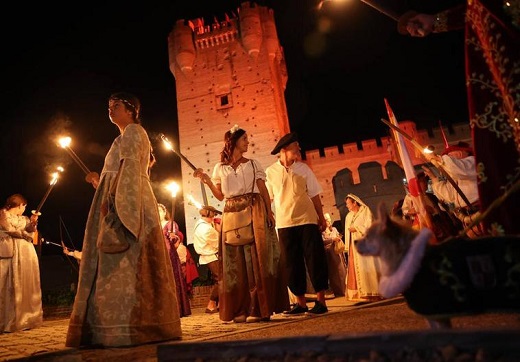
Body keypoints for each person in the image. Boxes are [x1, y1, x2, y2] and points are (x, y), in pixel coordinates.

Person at [65, 92, 182, 347]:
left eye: (116, 105)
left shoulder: (132, 132)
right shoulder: (124, 136)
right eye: (108, 106)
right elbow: (119, 172)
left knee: (122, 262)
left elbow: (128, 169)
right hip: (124, 197)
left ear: (131, 110)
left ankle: (124, 327)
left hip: (126, 201)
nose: (110, 109)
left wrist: (115, 204)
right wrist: (101, 183)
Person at [400, 1, 520, 236]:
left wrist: (440, 162)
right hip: (471, 218)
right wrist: (434, 21)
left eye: (452, 153)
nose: (449, 155)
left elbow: (461, 169)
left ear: (463, 152)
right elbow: (474, 9)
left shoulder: (473, 164)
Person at [193, 124, 289, 323]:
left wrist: (269, 212)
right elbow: (219, 195)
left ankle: (258, 308)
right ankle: (240, 309)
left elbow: (262, 189)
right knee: (235, 264)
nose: (248, 142)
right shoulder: (220, 167)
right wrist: (207, 181)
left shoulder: (253, 164)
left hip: (253, 209)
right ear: (235, 141)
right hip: (231, 211)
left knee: (255, 260)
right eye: (244, 139)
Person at [266, 132, 329, 315]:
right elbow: (268, 197)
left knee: (315, 259)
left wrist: (321, 217)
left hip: (307, 219)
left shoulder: (304, 169)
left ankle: (321, 302)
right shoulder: (271, 172)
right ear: (284, 149)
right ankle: (301, 303)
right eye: (296, 146)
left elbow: (315, 194)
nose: (299, 149)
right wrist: (267, 214)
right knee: (291, 264)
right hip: (285, 223)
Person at [0, 194, 42, 333]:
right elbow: (10, 230)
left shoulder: (24, 218)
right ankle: (8, 321)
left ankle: (25, 318)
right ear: (19, 205)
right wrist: (24, 233)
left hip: (26, 253)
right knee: (9, 284)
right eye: (24, 206)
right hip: (11, 252)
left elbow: (31, 233)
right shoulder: (3, 214)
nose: (24, 209)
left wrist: (33, 223)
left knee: (25, 282)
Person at [423, 141, 481, 238]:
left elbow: (460, 170)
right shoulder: (455, 176)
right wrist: (433, 178)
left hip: (480, 210)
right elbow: (448, 196)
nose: (448, 159)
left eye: (449, 156)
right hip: (467, 217)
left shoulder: (473, 161)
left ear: (459, 153)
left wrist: (438, 159)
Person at [344, 194, 382, 303]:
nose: (347, 206)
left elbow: (369, 226)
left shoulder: (365, 211)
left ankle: (372, 293)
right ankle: (360, 295)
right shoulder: (349, 216)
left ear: (355, 202)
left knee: (368, 267)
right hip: (354, 245)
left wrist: (356, 228)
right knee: (357, 269)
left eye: (348, 203)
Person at [158, 203, 192, 317]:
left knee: (172, 279)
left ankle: (177, 309)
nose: (158, 213)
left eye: (160, 210)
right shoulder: (153, 226)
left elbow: (175, 239)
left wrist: (174, 237)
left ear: (164, 212)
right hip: (158, 255)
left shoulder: (169, 224)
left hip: (169, 254)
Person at [192, 205, 221, 314]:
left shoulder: (199, 224)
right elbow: (218, 243)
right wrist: (219, 230)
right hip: (211, 255)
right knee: (220, 280)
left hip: (208, 255)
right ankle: (211, 304)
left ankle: (219, 303)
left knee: (218, 279)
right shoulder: (207, 228)